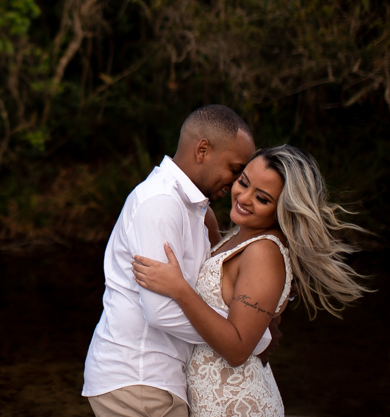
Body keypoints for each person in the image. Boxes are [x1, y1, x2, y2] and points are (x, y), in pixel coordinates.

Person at [131, 145, 370, 417]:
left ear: (283, 209)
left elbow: (237, 348)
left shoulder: (264, 252)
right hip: (211, 402)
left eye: (262, 198)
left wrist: (179, 289)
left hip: (239, 405)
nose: (243, 197)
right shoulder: (239, 235)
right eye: (243, 182)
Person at [82, 105, 272, 417]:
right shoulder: (162, 203)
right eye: (235, 168)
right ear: (202, 150)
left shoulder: (193, 209)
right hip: (139, 377)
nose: (237, 182)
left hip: (155, 378)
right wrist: (242, 338)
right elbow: (159, 310)